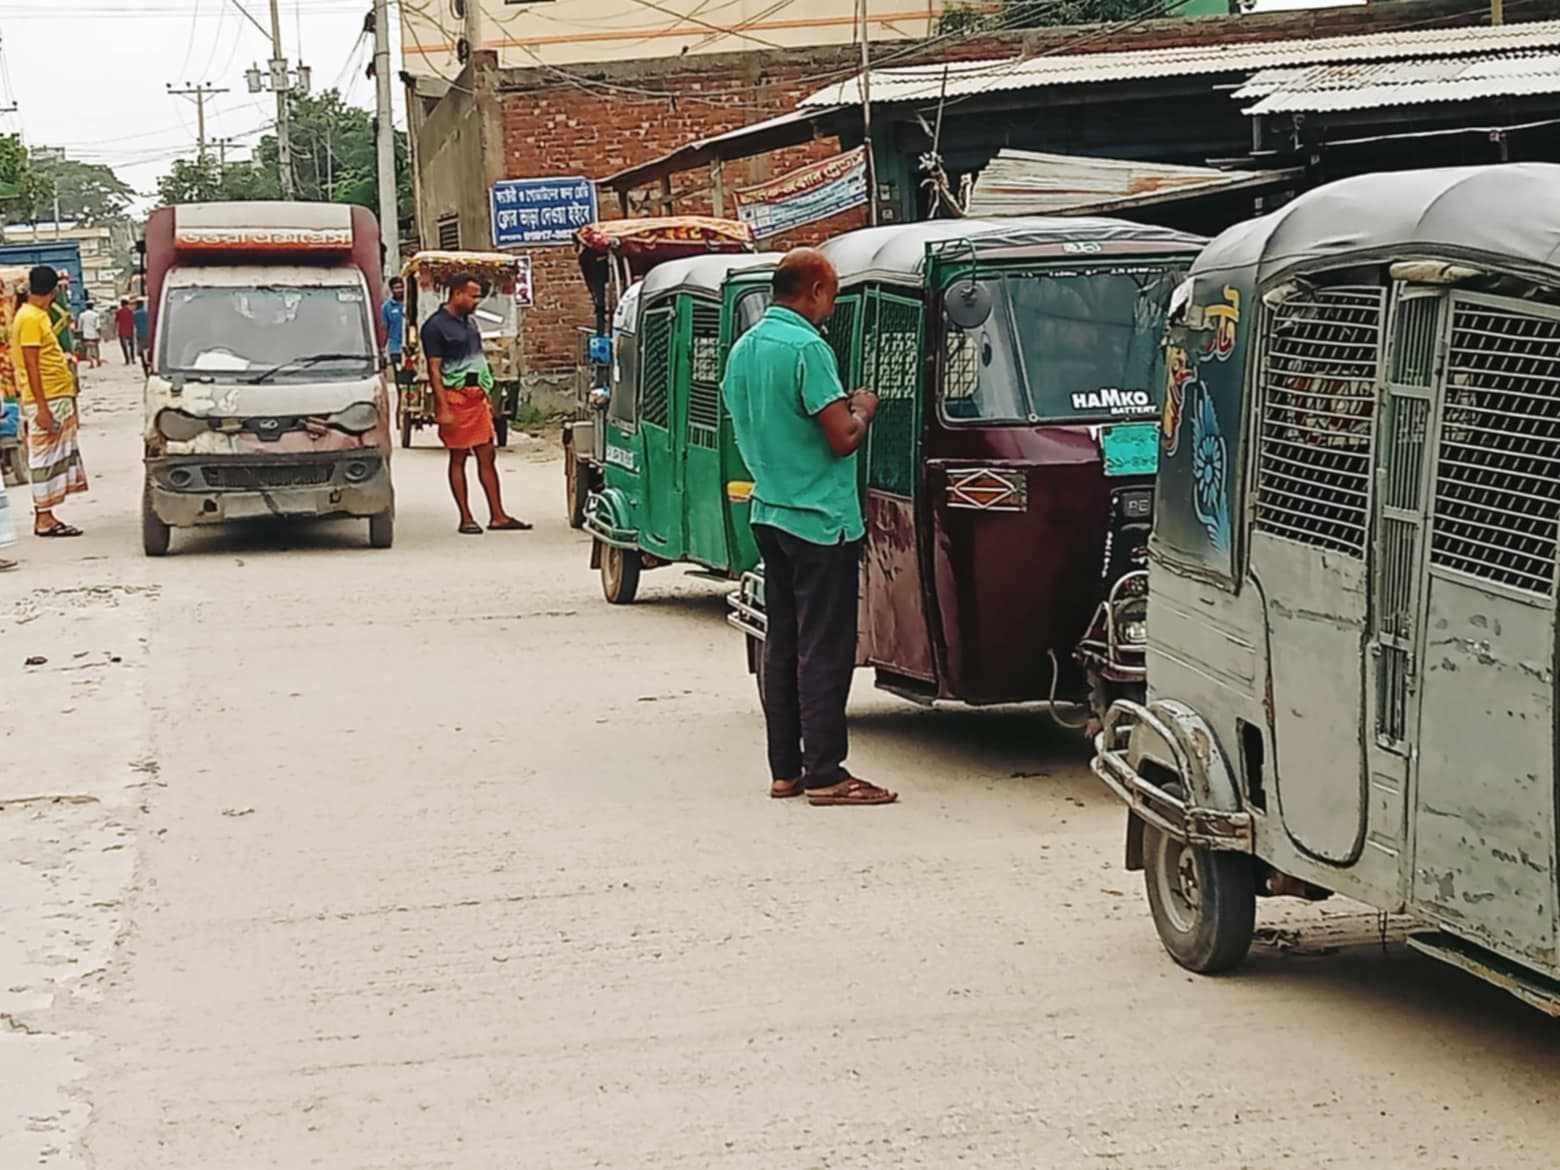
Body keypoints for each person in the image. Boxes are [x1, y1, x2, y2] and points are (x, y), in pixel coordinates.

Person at [721, 247, 895, 807]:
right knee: (825, 647)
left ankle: (786, 770)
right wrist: (864, 406)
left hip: (770, 511)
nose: (833, 305)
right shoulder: (807, 348)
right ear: (815, 290)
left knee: (783, 642)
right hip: (820, 521)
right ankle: (825, 773)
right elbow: (842, 436)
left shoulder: (744, 349)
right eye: (833, 293)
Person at [419, 272, 530, 536]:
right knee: (459, 456)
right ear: (457, 294)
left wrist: (486, 394)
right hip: (455, 397)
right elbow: (434, 370)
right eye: (473, 296)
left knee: (487, 455)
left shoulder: (469, 322)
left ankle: (498, 515)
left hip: (476, 397)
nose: (476, 301)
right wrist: (443, 407)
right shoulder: (434, 327)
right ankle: (466, 517)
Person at [13, 265, 88, 537]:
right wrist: (43, 408)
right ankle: (43, 517)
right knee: (45, 457)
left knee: (54, 456)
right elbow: (31, 365)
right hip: (47, 397)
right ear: (53, 290)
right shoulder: (30, 318)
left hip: (55, 394)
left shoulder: (36, 315)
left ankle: (47, 513)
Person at [382, 275, 407, 366]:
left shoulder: (409, 302)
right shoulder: (386, 307)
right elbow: (385, 328)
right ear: (391, 290)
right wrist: (383, 348)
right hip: (395, 348)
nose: (399, 290)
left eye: (401, 287)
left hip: (409, 347)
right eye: (396, 288)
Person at [77, 301, 102, 369]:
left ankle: (91, 362)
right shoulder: (96, 315)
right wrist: (100, 335)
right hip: (95, 336)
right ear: (92, 307)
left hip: (86, 336)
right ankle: (98, 361)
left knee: (88, 350)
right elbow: (98, 327)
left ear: (86, 306)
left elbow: (80, 327)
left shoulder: (82, 315)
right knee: (96, 349)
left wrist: (79, 335)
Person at [114, 298, 134, 364]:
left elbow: (116, 321)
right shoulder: (131, 311)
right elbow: (133, 321)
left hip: (122, 331)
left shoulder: (118, 312)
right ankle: (133, 359)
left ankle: (127, 360)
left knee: (124, 346)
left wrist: (115, 331)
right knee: (131, 345)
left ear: (121, 304)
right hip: (130, 330)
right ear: (127, 304)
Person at [132, 298, 150, 372]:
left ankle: (144, 366)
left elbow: (134, 325)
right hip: (148, 334)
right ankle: (149, 363)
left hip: (140, 334)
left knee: (141, 351)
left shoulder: (135, 314)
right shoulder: (147, 313)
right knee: (148, 349)